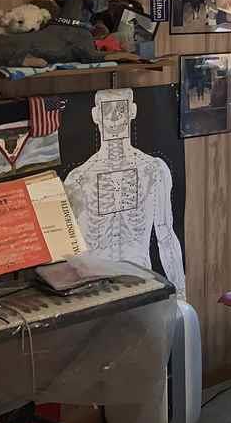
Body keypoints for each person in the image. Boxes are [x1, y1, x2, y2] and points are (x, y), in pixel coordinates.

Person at [64, 88, 186, 298]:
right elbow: (70, 249)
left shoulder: (154, 170)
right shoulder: (79, 178)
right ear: (96, 115)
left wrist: (180, 294)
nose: (113, 117)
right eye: (107, 109)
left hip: (142, 285)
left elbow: (166, 237)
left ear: (132, 111)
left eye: (120, 109)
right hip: (95, 290)